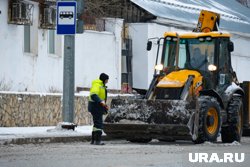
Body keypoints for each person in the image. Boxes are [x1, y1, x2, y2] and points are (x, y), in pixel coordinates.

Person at [88, 73, 109, 145]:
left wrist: (103, 104)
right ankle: (98, 141)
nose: (107, 81)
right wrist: (100, 101)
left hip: (97, 106)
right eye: (106, 80)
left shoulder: (101, 85)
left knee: (96, 123)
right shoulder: (97, 85)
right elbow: (93, 95)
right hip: (96, 106)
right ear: (103, 79)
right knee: (99, 123)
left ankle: (93, 140)